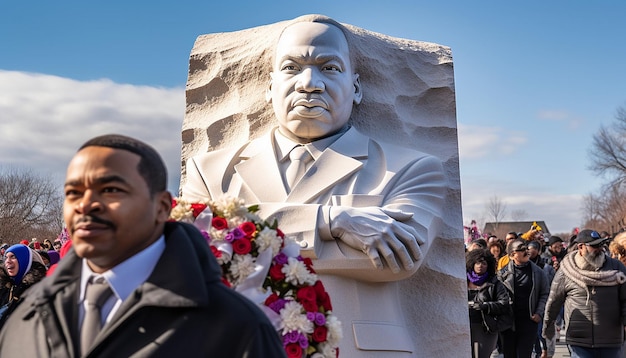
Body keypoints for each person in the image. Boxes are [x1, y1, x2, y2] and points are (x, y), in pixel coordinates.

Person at [183, 14, 447, 357]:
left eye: (330, 68)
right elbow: (195, 253)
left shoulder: (411, 168)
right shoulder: (210, 170)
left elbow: (398, 258)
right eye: (292, 67)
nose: (310, 83)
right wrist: (333, 222)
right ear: (269, 86)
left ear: (356, 87)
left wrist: (244, 237)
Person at [0, 134, 286, 358]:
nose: (85, 205)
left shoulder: (236, 327)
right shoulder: (28, 316)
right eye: (73, 192)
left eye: (111, 189)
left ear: (162, 207)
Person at [543, 229, 626, 358]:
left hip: (611, 340)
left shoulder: (616, 268)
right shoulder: (566, 270)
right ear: (581, 247)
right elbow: (554, 301)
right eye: (594, 246)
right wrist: (548, 329)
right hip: (579, 341)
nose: (599, 249)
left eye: (601, 245)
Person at [497, 239, 550, 358]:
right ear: (512, 255)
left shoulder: (538, 272)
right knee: (509, 354)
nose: (526, 251)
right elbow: (497, 295)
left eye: (526, 248)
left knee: (524, 354)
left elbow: (545, 293)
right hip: (508, 322)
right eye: (521, 249)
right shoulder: (502, 274)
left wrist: (538, 313)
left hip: (529, 320)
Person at [466, 249, 512, 358]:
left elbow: (504, 303)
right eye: (477, 262)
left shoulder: (494, 282)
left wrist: (485, 306)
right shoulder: (463, 281)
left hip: (486, 327)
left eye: (484, 263)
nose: (480, 265)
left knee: (482, 356)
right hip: (465, 326)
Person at [0, 244, 47, 327]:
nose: (8, 261)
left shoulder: (37, 290)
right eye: (6, 257)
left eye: (13, 257)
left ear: (24, 260)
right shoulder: (5, 286)